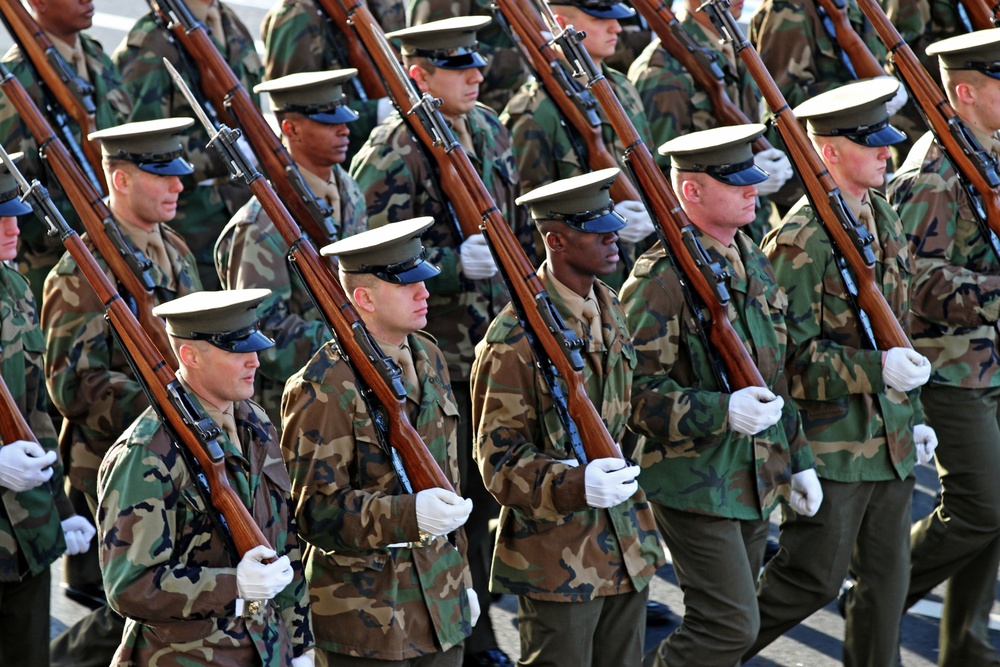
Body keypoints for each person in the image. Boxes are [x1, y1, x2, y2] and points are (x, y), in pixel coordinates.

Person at [350, 19, 526, 667]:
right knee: (454, 502)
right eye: (457, 68)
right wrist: (453, 267)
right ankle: (470, 639)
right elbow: (367, 261)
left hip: (497, 347)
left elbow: (514, 223)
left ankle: (485, 614)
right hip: (438, 356)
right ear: (418, 76)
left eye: (476, 63)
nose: (476, 75)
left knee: (499, 486)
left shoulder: (490, 129)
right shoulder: (392, 153)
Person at [743, 77, 932, 666]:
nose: (888, 152)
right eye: (871, 143)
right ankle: (703, 657)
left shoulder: (880, 212)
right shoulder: (801, 239)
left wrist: (915, 411)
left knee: (886, 588)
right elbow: (787, 363)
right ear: (828, 153)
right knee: (810, 581)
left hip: (890, 438)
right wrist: (880, 372)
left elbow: (894, 325)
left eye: (886, 140)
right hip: (833, 443)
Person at [621, 124, 822, 667]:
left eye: (752, 180)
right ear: (691, 191)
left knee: (730, 630)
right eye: (736, 183)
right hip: (694, 481)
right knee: (729, 626)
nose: (753, 190)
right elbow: (631, 395)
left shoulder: (747, 257)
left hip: (755, 474)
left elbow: (776, 373)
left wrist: (796, 459)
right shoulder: (659, 280)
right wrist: (719, 409)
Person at [471, 168, 666, 667]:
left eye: (611, 222)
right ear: (555, 240)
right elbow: (498, 461)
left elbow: (628, 404)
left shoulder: (609, 305)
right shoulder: (513, 340)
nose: (612, 234)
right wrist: (574, 482)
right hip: (558, 560)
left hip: (627, 542)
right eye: (594, 228)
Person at [41, 117, 205, 666]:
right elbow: (73, 385)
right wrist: (167, 401)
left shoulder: (176, 251)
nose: (179, 186)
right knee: (134, 605)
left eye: (179, 174)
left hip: (187, 450)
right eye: (163, 176)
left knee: (175, 595)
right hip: (118, 459)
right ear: (121, 177)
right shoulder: (81, 270)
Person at [282, 218, 476, 665]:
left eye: (424, 280)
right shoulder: (323, 386)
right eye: (408, 285)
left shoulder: (428, 357)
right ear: (363, 297)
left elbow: (447, 478)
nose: (425, 292)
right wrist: (410, 515)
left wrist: (461, 579)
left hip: (441, 608)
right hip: (367, 623)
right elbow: (316, 514)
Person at [97, 288, 313, 666]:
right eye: (238, 350)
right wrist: (234, 586)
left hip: (268, 651)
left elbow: (284, 544)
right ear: (189, 355)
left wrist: (300, 644)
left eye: (255, 347)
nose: (255, 362)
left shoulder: (255, 423)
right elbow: (128, 586)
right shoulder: (147, 453)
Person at [887, 28, 1000, 666]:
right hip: (954, 368)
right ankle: (879, 590)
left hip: (993, 356)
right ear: (965, 92)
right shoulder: (933, 169)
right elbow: (916, 282)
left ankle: (965, 640)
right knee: (977, 509)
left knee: (997, 511)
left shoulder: (993, 150)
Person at [216, 68, 367, 423]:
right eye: (328, 121)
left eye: (344, 118)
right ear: (291, 128)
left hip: (354, 389)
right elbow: (262, 334)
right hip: (299, 405)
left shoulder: (350, 191)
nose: (344, 128)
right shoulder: (262, 224)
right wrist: (353, 339)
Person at [0, 153, 95, 667]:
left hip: (25, 541)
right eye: (0, 217)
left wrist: (61, 510)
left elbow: (34, 414)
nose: (15, 228)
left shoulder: (13, 290)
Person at [501, 0, 655, 290]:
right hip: (584, 286)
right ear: (561, 23)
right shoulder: (535, 113)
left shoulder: (623, 87)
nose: (617, 27)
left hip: (645, 270)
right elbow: (527, 221)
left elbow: (651, 171)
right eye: (599, 19)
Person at [113, 0, 263, 289]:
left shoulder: (229, 22)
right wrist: (224, 153)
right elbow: (141, 151)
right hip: (195, 226)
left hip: (247, 211)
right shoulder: (151, 46)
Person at [0, 0, 132, 307]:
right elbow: (12, 189)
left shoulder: (96, 55)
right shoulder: (16, 81)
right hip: (59, 267)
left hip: (120, 244)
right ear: (37, 2)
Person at [627, 0, 791, 243]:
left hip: (748, 233)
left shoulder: (736, 48)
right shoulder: (662, 71)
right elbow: (659, 178)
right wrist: (734, 176)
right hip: (702, 242)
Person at [259, 0, 404, 163]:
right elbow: (294, 106)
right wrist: (374, 112)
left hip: (386, 145)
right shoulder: (297, 14)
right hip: (337, 160)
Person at [407, 0, 528, 114]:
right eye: (462, 70)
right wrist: (521, 62)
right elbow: (431, 51)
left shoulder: (487, 118)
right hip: (473, 102)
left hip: (487, 110)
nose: (477, 77)